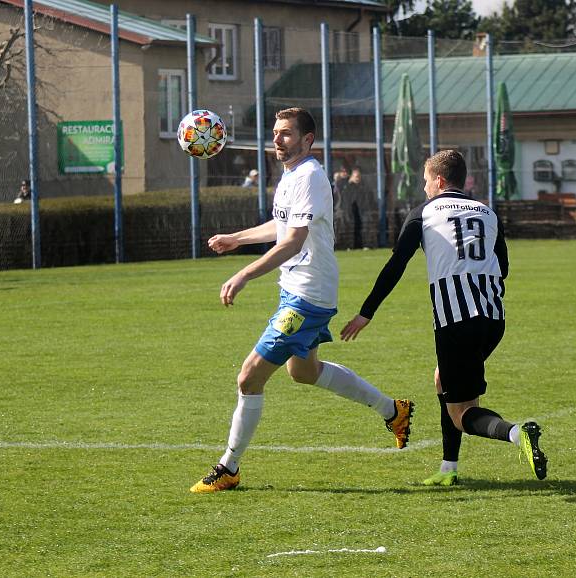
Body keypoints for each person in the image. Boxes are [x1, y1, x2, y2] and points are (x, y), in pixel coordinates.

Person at [191, 107, 414, 493]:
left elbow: (293, 241)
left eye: (286, 133)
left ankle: (229, 467)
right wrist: (237, 239)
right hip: (298, 291)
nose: (277, 139)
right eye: (275, 132)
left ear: (307, 139)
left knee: (249, 376)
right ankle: (393, 411)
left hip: (306, 298)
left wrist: (244, 273)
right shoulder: (292, 174)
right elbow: (282, 226)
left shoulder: (310, 176)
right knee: (303, 372)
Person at [341, 149, 548, 485]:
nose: (424, 188)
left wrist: (367, 312)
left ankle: (516, 433)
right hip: (493, 318)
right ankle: (448, 469)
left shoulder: (424, 212)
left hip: (456, 321)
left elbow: (396, 264)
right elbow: (504, 268)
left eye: (425, 181)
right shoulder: (487, 212)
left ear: (438, 180)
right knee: (445, 382)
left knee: (460, 414)